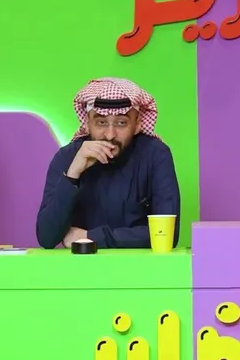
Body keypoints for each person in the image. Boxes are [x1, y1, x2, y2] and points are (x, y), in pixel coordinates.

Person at [36, 78, 181, 249]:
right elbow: (46, 237)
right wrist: (73, 174)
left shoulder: (155, 154)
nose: (110, 135)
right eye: (101, 122)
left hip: (140, 264)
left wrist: (91, 237)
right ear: (87, 123)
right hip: (82, 264)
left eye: (121, 123)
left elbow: (166, 234)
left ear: (137, 124)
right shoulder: (67, 157)